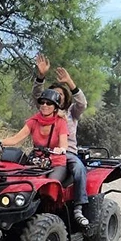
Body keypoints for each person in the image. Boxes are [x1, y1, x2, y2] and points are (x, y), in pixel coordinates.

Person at [32, 54, 89, 227]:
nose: (57, 97)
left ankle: (78, 207)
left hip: (67, 153)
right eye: (53, 94)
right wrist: (40, 76)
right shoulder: (45, 110)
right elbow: (36, 95)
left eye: (60, 94)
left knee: (79, 168)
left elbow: (82, 103)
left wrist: (70, 82)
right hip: (41, 154)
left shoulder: (71, 112)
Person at [0, 88, 69, 182]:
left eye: (49, 103)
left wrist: (61, 149)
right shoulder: (33, 121)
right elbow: (15, 139)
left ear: (55, 107)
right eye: (42, 102)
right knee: (20, 181)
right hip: (37, 161)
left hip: (56, 163)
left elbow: (64, 144)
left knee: (51, 185)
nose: (45, 105)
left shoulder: (61, 122)